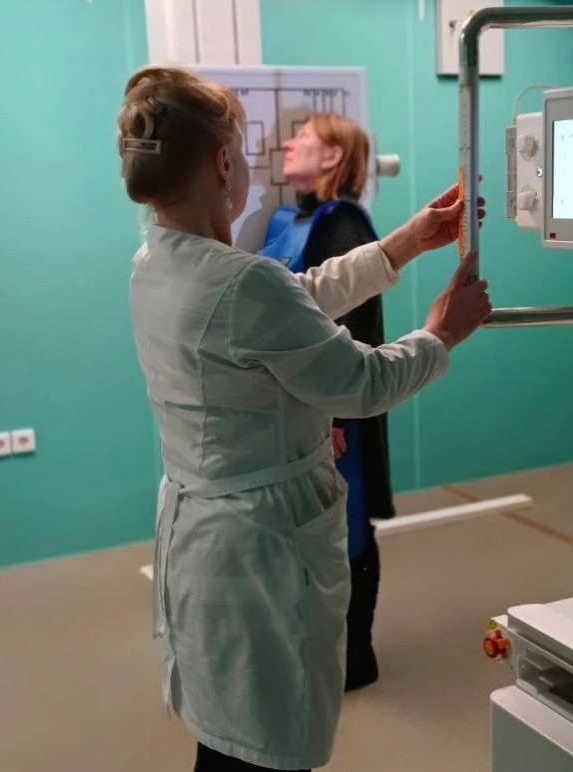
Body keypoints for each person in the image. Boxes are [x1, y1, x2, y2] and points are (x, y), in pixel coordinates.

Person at [118, 65, 490, 772]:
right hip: (259, 544)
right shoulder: (238, 281)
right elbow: (361, 381)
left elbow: (293, 300)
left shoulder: (157, 263)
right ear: (222, 163)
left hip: (204, 531)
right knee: (262, 741)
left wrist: (405, 243)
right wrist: (443, 332)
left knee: (228, 731)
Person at [257, 113, 392, 692]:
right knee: (312, 530)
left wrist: (334, 414)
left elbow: (348, 325)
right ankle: (318, 649)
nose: (289, 144)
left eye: (304, 139)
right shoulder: (287, 220)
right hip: (294, 407)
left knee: (348, 528)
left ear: (333, 157)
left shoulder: (343, 222)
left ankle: (355, 658)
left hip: (335, 416)